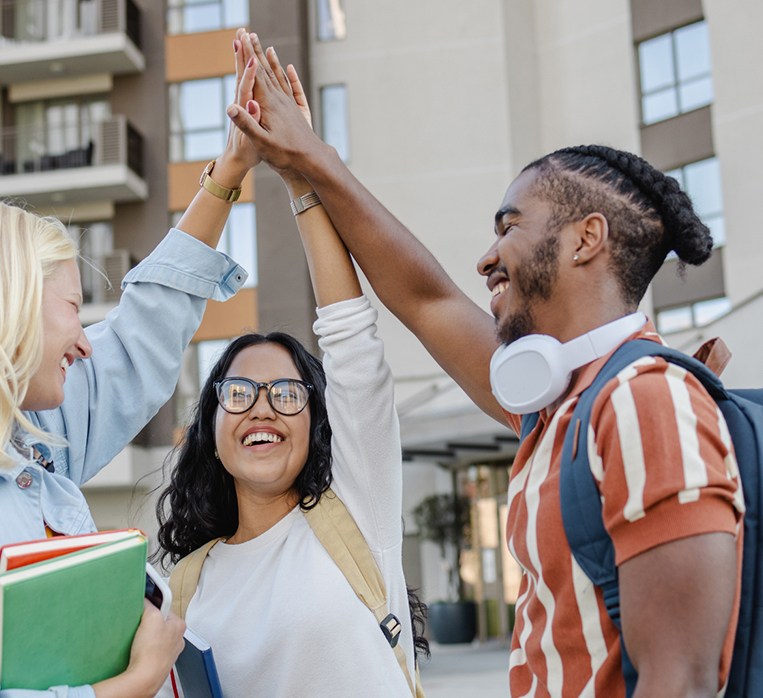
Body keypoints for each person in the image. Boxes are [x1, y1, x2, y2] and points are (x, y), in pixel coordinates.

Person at [228, 36, 743, 698]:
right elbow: (427, 300)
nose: (486, 257)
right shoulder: (560, 404)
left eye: (509, 227)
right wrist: (306, 165)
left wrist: (310, 159)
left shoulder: (646, 400)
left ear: (586, 238)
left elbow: (683, 680)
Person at [0, 32, 264, 697]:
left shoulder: (26, 445)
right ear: (5, 310)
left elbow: (141, 336)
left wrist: (228, 173)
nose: (86, 343)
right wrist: (137, 681)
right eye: (72, 308)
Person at [155, 31, 425, 697]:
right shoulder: (183, 587)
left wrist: (300, 170)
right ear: (210, 428)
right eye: (239, 393)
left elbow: (351, 341)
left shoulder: (355, 508)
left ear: (316, 423)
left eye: (286, 393)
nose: (263, 408)